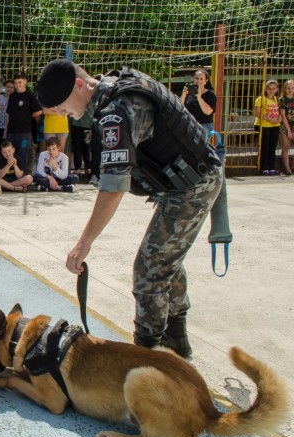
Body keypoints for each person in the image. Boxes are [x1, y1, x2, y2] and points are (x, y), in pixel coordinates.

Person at [36, 58, 224, 357]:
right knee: (164, 259)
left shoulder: (117, 110)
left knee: (148, 270)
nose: (64, 115)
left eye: (62, 107)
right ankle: (177, 338)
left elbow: (113, 186)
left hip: (191, 186)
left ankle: (146, 355)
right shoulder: (113, 86)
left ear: (80, 85)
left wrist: (83, 244)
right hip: (183, 181)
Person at [5, 71, 42, 169]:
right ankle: (11, 177)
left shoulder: (30, 96)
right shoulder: (12, 96)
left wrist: (28, 115)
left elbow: (39, 111)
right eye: (16, 83)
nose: (17, 85)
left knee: (22, 155)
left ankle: (22, 177)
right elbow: (8, 114)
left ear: (25, 81)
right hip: (11, 131)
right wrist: (5, 131)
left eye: (20, 82)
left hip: (24, 132)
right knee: (9, 155)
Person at [254, 79, 281, 176]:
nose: (271, 91)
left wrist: (279, 119)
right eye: (269, 89)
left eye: (274, 89)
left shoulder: (277, 99)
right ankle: (265, 168)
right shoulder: (261, 99)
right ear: (266, 89)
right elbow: (257, 113)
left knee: (272, 148)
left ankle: (272, 168)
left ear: (277, 89)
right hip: (263, 125)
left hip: (275, 125)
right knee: (264, 147)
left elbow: (280, 112)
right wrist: (270, 119)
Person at [180, 69, 217, 134]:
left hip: (204, 125)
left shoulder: (210, 94)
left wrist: (199, 98)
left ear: (206, 81)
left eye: (201, 79)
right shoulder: (188, 93)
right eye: (196, 78)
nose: (198, 81)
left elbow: (208, 112)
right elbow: (180, 106)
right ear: (193, 79)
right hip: (189, 124)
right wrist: (183, 94)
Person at [277, 80, 294, 176]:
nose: (290, 90)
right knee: (286, 147)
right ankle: (287, 170)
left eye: (292, 88)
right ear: (285, 89)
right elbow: (283, 116)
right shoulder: (282, 99)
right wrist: (289, 131)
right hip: (284, 125)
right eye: (288, 88)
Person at [0, 79, 14, 144]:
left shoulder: (15, 98)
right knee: (2, 145)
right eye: (7, 87)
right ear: (4, 87)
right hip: (0, 126)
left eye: (11, 87)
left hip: (12, 126)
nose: (9, 89)